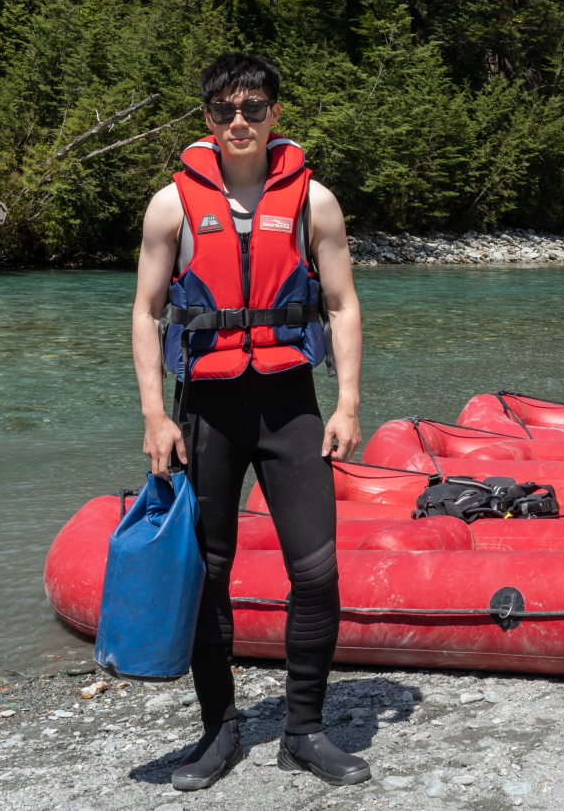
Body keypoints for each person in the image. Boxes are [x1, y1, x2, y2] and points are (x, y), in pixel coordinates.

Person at [128, 52, 370, 790]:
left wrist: (349, 400)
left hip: (290, 403)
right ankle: (220, 729)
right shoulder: (172, 204)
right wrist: (152, 413)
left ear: (274, 115)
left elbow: (342, 304)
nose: (241, 120)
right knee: (209, 574)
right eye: (227, 109)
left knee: (317, 572)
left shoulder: (313, 202)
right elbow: (145, 313)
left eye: (254, 107)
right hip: (206, 407)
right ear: (208, 119)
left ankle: (303, 729)